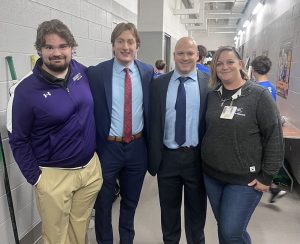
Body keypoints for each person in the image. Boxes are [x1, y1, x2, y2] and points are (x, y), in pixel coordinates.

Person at [6, 19, 102, 244]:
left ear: (71, 48)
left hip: (89, 171)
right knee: (56, 237)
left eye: (63, 46)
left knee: (80, 228)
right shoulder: (24, 91)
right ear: (40, 50)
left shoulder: (81, 72)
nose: (57, 52)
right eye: (49, 47)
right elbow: (18, 139)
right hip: (54, 176)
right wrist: (38, 179)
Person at [201, 46, 284, 244]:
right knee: (226, 228)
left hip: (244, 180)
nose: (224, 67)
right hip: (212, 176)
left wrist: (266, 176)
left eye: (230, 61)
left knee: (231, 232)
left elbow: (274, 137)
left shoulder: (258, 96)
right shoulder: (213, 95)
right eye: (219, 63)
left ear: (241, 64)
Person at [87, 22, 154, 244]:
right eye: (120, 41)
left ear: (137, 46)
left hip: (137, 148)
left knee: (130, 202)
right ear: (113, 45)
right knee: (103, 204)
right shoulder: (97, 74)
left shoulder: (147, 72)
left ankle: (127, 240)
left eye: (130, 42)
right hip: (107, 149)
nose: (126, 46)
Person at [148, 37, 208, 244]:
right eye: (180, 53)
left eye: (190, 53)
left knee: (197, 214)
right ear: (173, 56)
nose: (185, 57)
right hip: (167, 159)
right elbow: (152, 121)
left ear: (197, 56)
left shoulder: (208, 85)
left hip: (197, 160)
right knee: (169, 213)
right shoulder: (159, 85)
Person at [251, 55, 287, 203]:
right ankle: (273, 188)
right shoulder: (271, 87)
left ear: (253, 70)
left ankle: (272, 187)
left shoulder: (257, 89)